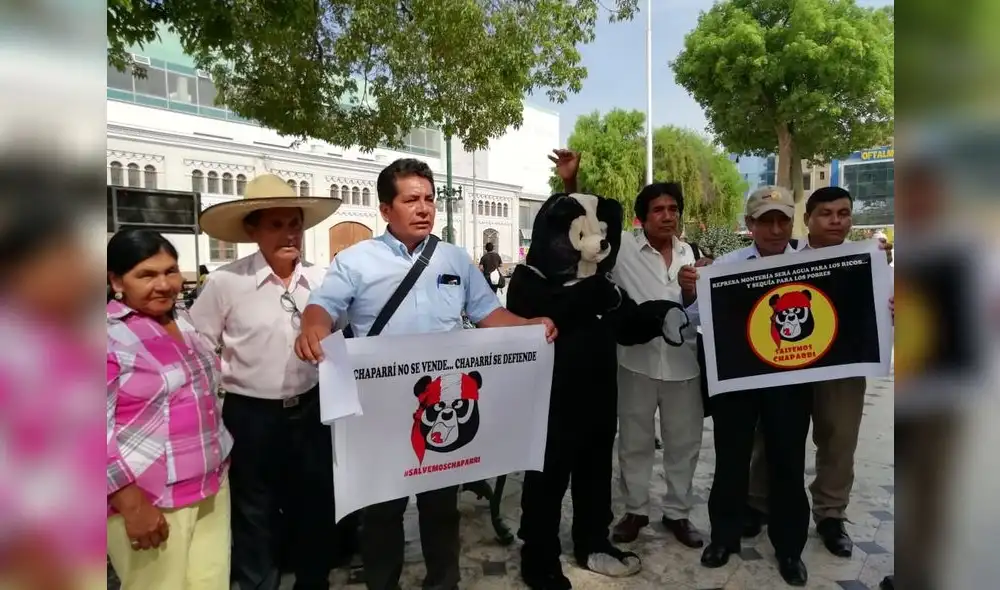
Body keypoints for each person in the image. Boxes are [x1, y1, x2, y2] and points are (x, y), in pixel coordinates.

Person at [295, 158, 556, 590]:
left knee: (441, 507)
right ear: (385, 209)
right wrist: (313, 325)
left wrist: (529, 326)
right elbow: (324, 305)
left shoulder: (454, 259)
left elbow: (488, 313)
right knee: (382, 511)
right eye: (411, 200)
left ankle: (443, 583)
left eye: (429, 199)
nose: (424, 208)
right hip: (379, 410)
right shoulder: (356, 261)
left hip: (442, 405)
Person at [189, 174, 353, 590]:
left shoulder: (323, 280)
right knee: (254, 511)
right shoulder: (226, 283)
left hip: (313, 409)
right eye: (276, 224)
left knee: (315, 504)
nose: (289, 234)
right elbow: (199, 348)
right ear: (253, 230)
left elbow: (345, 333)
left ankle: (312, 581)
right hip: (250, 415)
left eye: (294, 224)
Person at [746, 187, 895, 559]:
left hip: (844, 367)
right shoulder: (783, 258)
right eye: (826, 214)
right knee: (771, 435)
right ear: (808, 219)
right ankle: (758, 502)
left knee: (839, 440)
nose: (835, 221)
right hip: (787, 367)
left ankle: (830, 515)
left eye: (843, 213)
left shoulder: (870, 262)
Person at [686, 186, 812, 586]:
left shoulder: (812, 266)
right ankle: (723, 538)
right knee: (731, 461)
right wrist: (690, 291)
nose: (775, 229)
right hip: (737, 381)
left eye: (782, 220)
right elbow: (695, 318)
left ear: (792, 222)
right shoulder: (726, 266)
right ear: (749, 224)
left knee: (788, 463)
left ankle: (789, 549)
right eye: (765, 221)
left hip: (790, 382)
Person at [107, 228, 234, 590]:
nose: (163, 285)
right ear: (116, 281)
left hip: (210, 486)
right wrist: (131, 504)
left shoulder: (181, 319)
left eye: (170, 271)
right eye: (146, 275)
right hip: (150, 498)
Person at [0, 188, 105, 590]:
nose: (78, 274)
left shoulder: (71, 335)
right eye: (61, 261)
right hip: (34, 556)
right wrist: (27, 549)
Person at [607, 181, 708, 549]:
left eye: (673, 209)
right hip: (636, 362)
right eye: (659, 210)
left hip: (684, 365)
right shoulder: (623, 249)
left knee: (685, 443)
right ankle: (635, 510)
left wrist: (691, 291)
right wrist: (572, 181)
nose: (668, 216)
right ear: (643, 217)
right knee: (634, 442)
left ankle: (677, 513)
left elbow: (701, 312)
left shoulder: (692, 255)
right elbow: (584, 221)